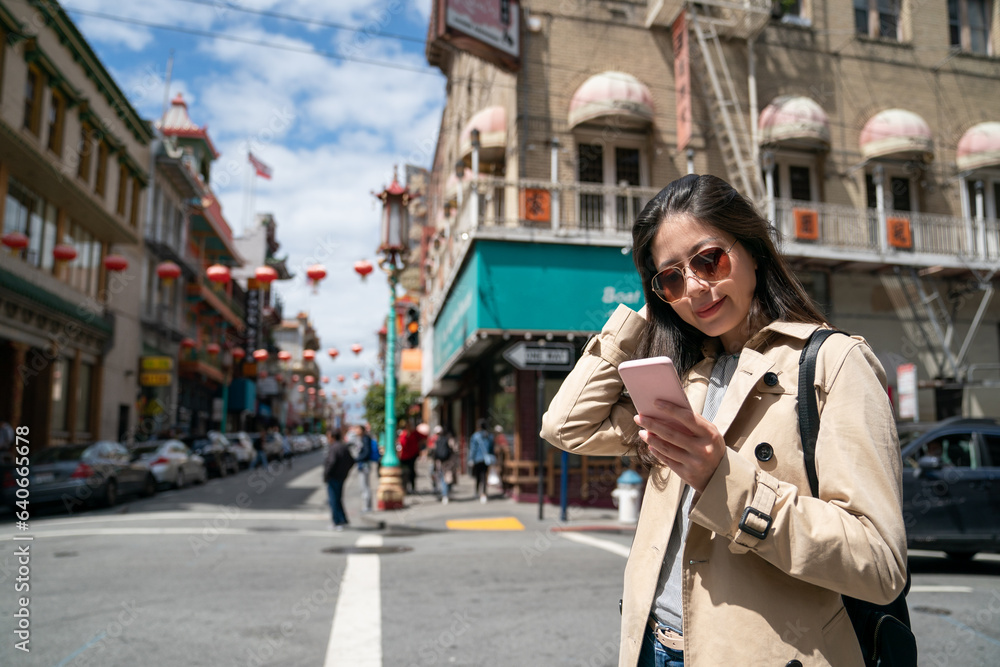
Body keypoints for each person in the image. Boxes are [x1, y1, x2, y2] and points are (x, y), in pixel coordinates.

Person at [540, 174, 907, 666]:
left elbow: (879, 563)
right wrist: (645, 316)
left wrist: (726, 481)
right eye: (671, 277)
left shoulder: (832, 363)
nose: (694, 286)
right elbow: (566, 427)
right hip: (652, 646)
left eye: (708, 259)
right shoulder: (686, 378)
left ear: (752, 248)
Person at [322, 429, 354, 530]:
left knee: (333, 500)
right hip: (341, 477)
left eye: (328, 437)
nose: (328, 439)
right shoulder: (343, 446)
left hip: (334, 477)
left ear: (333, 437)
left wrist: (327, 474)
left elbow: (332, 462)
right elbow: (351, 461)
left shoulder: (334, 448)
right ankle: (342, 519)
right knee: (338, 499)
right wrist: (345, 472)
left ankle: (337, 522)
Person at [347, 424, 374, 512]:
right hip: (362, 464)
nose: (356, 431)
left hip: (364, 465)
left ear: (362, 430)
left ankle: (367, 506)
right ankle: (366, 506)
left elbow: (366, 452)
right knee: (364, 486)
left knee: (365, 486)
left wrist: (356, 459)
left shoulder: (365, 439)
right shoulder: (361, 439)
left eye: (357, 429)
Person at [467, 418, 494, 503]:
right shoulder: (489, 436)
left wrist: (471, 459)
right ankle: (484, 494)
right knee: (484, 477)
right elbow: (491, 449)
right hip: (486, 459)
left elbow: (473, 449)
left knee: (478, 477)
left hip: (477, 459)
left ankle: (476, 493)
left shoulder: (475, 436)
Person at [432, 426, 458, 503]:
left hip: (440, 462)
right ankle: (446, 494)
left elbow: (434, 451)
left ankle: (445, 494)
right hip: (449, 462)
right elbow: (455, 450)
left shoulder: (438, 440)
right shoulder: (450, 440)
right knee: (448, 478)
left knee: (443, 478)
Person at [397, 421, 423, 494]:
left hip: (412, 456)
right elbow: (402, 444)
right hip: (404, 457)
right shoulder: (403, 434)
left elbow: (423, 438)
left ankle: (412, 487)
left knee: (412, 471)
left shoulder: (414, 433)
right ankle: (405, 487)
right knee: (404, 472)